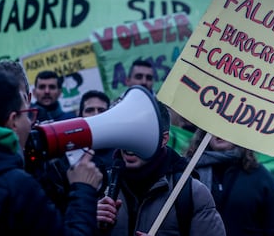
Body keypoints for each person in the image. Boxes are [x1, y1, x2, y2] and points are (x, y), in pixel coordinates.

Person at [0, 67, 103, 235]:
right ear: (13, 121)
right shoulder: (18, 185)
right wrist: (83, 190)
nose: (30, 124)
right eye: (27, 114)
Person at [96, 101, 226, 236]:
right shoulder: (98, 185)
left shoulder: (192, 192)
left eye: (140, 134)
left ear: (163, 139)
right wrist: (90, 223)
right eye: (127, 133)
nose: (130, 143)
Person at [184, 129, 274, 236]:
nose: (220, 131)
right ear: (204, 132)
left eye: (227, 126)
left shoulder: (260, 176)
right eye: (215, 125)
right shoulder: (187, 172)